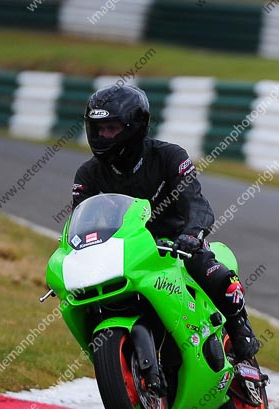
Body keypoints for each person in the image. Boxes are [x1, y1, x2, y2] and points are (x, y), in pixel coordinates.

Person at [71, 84, 260, 362]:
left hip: (177, 243)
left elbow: (195, 200)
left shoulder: (169, 156)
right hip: (127, 253)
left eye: (112, 128)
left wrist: (193, 233)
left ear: (134, 127)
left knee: (212, 272)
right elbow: (80, 220)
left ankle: (238, 325)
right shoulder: (87, 174)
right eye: (99, 129)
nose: (104, 136)